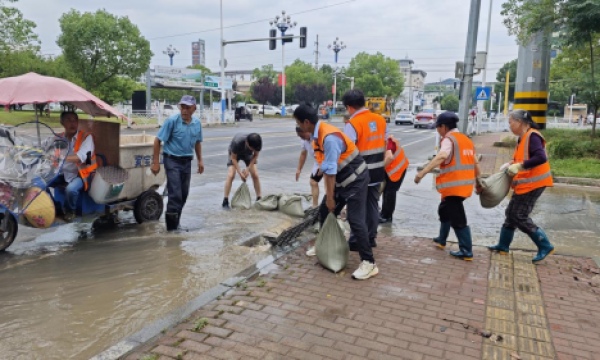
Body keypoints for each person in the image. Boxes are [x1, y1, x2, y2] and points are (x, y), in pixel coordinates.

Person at [294, 104, 377, 280]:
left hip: (356, 180)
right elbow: (325, 164)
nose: (299, 126)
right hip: (342, 179)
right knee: (324, 211)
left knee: (355, 219)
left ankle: (369, 263)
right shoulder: (317, 135)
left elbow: (330, 173)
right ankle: (323, 244)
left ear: (306, 122)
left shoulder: (328, 137)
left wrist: (331, 198)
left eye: (298, 123)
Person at [488, 110, 555, 263]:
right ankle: (503, 246)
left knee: (519, 215)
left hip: (535, 183)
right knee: (511, 212)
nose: (510, 125)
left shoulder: (533, 136)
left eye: (510, 122)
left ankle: (545, 245)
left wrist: (520, 166)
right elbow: (521, 158)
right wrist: (511, 164)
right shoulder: (523, 138)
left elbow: (540, 157)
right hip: (526, 182)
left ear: (519, 122)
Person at [414, 112, 481, 261]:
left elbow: (442, 156)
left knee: (458, 218)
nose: (437, 131)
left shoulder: (448, 139)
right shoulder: (465, 139)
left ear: (443, 127)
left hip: (454, 186)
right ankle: (442, 239)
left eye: (437, 128)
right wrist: (478, 181)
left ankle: (466, 251)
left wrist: (423, 172)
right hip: (464, 185)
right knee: (444, 210)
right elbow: (475, 162)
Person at [152, 95, 204, 231]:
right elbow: (157, 141)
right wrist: (156, 162)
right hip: (172, 160)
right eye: (182, 107)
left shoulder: (197, 123)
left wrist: (200, 160)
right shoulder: (172, 121)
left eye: (187, 107)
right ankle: (171, 230)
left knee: (184, 194)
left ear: (194, 108)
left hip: (187, 161)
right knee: (175, 194)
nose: (184, 110)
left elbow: (198, 142)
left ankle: (176, 223)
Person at [343, 89, 387, 249]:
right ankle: (371, 237)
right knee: (373, 204)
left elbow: (348, 152)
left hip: (360, 173)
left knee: (356, 208)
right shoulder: (380, 120)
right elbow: (384, 144)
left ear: (349, 107)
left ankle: (356, 241)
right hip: (377, 170)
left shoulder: (352, 124)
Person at [50, 111, 98, 222]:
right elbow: (45, 146)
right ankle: (56, 206)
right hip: (62, 172)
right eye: (68, 120)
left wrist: (61, 158)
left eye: (75, 120)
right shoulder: (59, 138)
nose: (72, 123)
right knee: (41, 183)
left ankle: (70, 211)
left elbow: (81, 157)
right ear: (62, 122)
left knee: (70, 190)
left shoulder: (86, 137)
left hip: (81, 173)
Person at [222, 133, 262, 209]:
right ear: (247, 142)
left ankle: (259, 198)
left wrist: (248, 169)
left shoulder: (257, 143)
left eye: (254, 149)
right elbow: (233, 158)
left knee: (255, 174)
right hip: (235, 154)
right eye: (252, 148)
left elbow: (255, 155)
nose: (253, 150)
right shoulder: (237, 142)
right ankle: (225, 200)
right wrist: (240, 173)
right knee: (231, 175)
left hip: (248, 155)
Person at [379, 134, 409, 223]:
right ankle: (383, 213)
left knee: (389, 192)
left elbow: (389, 157)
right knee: (385, 191)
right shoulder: (382, 139)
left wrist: (378, 171)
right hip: (390, 168)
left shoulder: (389, 141)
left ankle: (386, 216)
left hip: (397, 170)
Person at [295, 127, 321, 208]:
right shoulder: (304, 140)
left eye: (302, 135)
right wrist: (299, 169)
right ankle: (315, 206)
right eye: (299, 136)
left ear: (307, 131)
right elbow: (303, 154)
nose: (301, 138)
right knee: (313, 182)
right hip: (318, 161)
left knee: (331, 183)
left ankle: (337, 206)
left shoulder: (317, 138)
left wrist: (323, 166)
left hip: (327, 160)